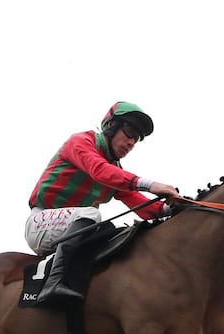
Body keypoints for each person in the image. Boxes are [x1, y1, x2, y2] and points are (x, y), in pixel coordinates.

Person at [25, 101, 180, 304]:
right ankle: (54, 283)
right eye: (129, 132)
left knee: (111, 230)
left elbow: (142, 205)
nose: (132, 142)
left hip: (69, 229)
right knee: (91, 215)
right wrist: (150, 185)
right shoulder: (81, 141)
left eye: (137, 139)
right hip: (40, 223)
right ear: (111, 126)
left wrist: (173, 206)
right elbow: (100, 170)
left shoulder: (115, 169)